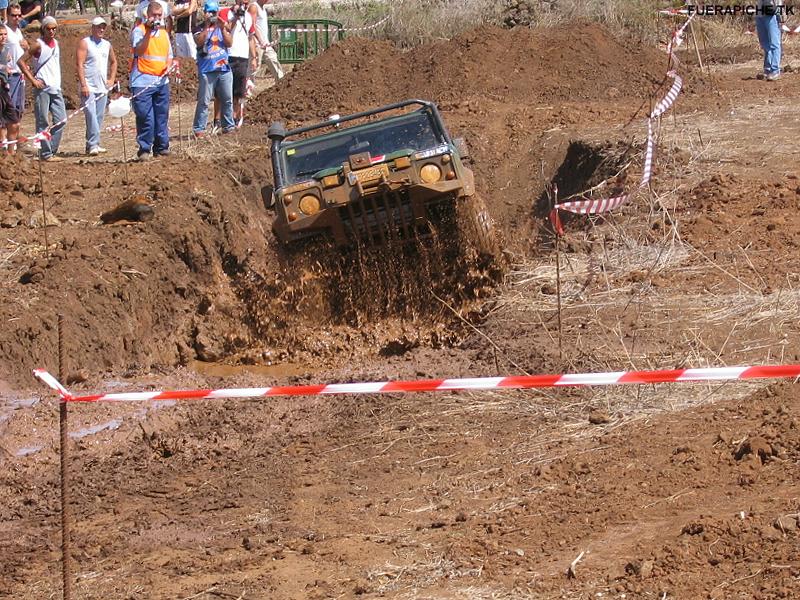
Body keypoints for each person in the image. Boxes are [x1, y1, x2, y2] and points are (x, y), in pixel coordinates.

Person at [18, 15, 66, 162]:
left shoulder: (56, 44)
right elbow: (21, 61)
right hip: (43, 89)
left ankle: (50, 149)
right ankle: (46, 154)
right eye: (49, 29)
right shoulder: (38, 45)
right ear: (43, 29)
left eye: (54, 28)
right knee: (42, 121)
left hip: (55, 87)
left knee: (61, 119)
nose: (52, 31)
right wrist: (33, 80)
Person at [130, 1, 173, 160]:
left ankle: (162, 147)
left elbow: (169, 54)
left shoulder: (164, 34)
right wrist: (149, 31)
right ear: (147, 15)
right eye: (154, 15)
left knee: (161, 116)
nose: (157, 18)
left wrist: (168, 67)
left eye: (159, 15)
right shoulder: (139, 31)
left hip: (161, 82)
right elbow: (139, 50)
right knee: (145, 117)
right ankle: (145, 149)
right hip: (142, 81)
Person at [192, 0, 234, 135]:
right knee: (204, 101)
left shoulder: (222, 26)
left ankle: (228, 126)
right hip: (207, 70)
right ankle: (199, 128)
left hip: (223, 69)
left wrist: (222, 28)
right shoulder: (198, 28)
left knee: (227, 99)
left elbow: (229, 43)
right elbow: (199, 42)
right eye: (209, 12)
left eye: (214, 12)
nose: (212, 15)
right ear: (204, 13)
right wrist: (206, 25)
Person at [76, 16, 117, 156]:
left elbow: (113, 62)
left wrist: (111, 79)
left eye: (103, 27)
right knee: (91, 115)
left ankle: (93, 144)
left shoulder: (107, 45)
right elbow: (80, 64)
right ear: (92, 28)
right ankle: (93, 143)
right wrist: (83, 84)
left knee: (98, 116)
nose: (101, 29)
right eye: (98, 27)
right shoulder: (85, 43)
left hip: (102, 87)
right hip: (88, 86)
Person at [219, 0, 256, 125]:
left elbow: (251, 37)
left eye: (246, 3)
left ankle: (235, 117)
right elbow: (227, 29)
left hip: (242, 56)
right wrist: (235, 16)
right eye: (242, 3)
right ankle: (220, 119)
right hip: (229, 55)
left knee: (238, 91)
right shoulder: (225, 13)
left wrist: (254, 57)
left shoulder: (248, 17)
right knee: (224, 90)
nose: (244, 6)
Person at [4, 4, 28, 154]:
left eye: (19, 15)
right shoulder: (4, 31)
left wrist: (26, 47)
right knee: (9, 111)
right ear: (8, 15)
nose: (17, 18)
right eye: (14, 15)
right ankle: (7, 145)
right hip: (9, 75)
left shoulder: (18, 31)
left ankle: (14, 142)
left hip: (19, 74)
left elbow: (22, 51)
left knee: (18, 110)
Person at [0, 24, 23, 153]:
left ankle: (10, 155)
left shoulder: (5, 50)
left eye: (5, 34)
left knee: (14, 123)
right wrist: (4, 67)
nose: (3, 37)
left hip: (4, 90)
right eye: (0, 34)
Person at [248, 0, 283, 81]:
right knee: (254, 68)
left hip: (266, 44)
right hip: (257, 44)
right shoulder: (254, 7)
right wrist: (260, 41)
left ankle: (282, 84)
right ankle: (248, 89)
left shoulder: (263, 8)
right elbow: (252, 26)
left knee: (275, 63)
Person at [756, 0, 783, 81]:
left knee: (774, 43)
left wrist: (779, 15)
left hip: (771, 15)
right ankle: (768, 69)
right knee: (765, 44)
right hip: (760, 15)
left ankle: (775, 70)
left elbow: (778, 2)